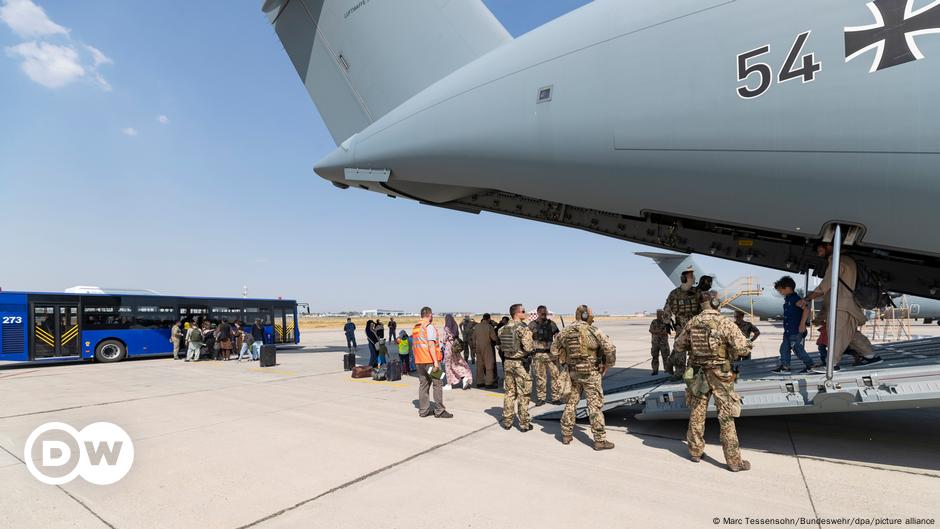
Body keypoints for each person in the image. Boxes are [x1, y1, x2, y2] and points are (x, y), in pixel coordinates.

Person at [675, 291, 753, 471]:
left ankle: (695, 451)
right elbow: (743, 349)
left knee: (697, 412)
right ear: (716, 302)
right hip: (720, 375)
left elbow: (679, 345)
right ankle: (734, 462)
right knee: (726, 416)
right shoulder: (725, 323)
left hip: (697, 374)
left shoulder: (692, 322)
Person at [800, 242, 882, 372]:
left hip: (841, 305)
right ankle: (870, 355)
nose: (818, 253)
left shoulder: (837, 260)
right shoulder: (848, 260)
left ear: (829, 246)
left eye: (820, 249)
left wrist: (808, 298)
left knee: (836, 334)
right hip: (848, 305)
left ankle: (832, 365)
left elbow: (826, 284)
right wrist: (821, 316)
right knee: (850, 334)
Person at [552, 304, 617, 450]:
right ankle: (599, 440)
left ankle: (566, 434)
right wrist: (608, 364)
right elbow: (610, 348)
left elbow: (554, 351)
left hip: (573, 373)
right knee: (594, 405)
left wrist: (565, 360)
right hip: (591, 374)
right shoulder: (593, 330)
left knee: (571, 402)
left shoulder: (564, 331)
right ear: (586, 316)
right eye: (591, 314)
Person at [498, 304, 535, 431]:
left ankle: (507, 422)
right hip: (520, 364)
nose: (525, 313)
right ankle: (524, 424)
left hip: (507, 362)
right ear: (517, 313)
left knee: (509, 393)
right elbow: (529, 348)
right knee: (523, 394)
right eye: (523, 311)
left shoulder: (502, 329)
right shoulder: (523, 329)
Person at [412, 307, 452, 418]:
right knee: (438, 384)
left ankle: (423, 411)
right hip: (430, 361)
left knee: (423, 385)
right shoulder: (428, 326)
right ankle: (440, 410)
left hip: (419, 362)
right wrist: (435, 363)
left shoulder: (416, 327)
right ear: (429, 315)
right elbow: (430, 345)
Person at [770, 276, 816, 374]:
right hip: (788, 331)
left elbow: (806, 310)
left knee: (797, 348)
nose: (780, 293)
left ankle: (810, 365)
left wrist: (802, 324)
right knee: (784, 349)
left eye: (780, 290)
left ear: (787, 288)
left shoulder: (796, 299)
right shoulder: (788, 299)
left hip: (795, 330)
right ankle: (785, 367)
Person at [663, 268, 702, 379]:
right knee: (680, 350)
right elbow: (667, 308)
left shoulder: (697, 292)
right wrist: (666, 322)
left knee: (695, 350)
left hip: (696, 327)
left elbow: (705, 305)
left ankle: (691, 373)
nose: (693, 278)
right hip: (681, 328)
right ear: (684, 278)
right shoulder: (674, 294)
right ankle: (679, 372)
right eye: (691, 276)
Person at [529, 305, 561, 405]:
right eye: (542, 312)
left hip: (551, 355)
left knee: (555, 376)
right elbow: (527, 339)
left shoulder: (552, 324)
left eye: (545, 312)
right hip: (538, 355)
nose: (543, 314)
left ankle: (555, 398)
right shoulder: (532, 325)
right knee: (540, 377)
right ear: (538, 313)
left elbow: (558, 336)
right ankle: (541, 398)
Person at [442, 314, 473, 390]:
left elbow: (445, 338)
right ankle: (464, 376)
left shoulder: (447, 328)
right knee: (457, 363)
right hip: (455, 348)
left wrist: (443, 340)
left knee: (448, 365)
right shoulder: (455, 326)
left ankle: (449, 384)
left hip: (449, 347)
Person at [472, 314, 499, 388]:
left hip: (478, 347)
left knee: (479, 365)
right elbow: (494, 338)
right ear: (489, 319)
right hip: (487, 347)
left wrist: (474, 348)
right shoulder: (489, 326)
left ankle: (480, 382)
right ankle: (489, 383)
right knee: (489, 365)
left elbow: (473, 338)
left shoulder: (477, 326)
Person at [648, 310, 672, 375]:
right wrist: (659, 332)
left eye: (660, 314)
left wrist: (658, 332)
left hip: (663, 343)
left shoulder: (666, 322)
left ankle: (667, 370)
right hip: (655, 343)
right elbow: (650, 330)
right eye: (658, 314)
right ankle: (655, 370)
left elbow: (668, 332)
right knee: (655, 356)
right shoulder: (654, 322)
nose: (659, 316)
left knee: (665, 357)